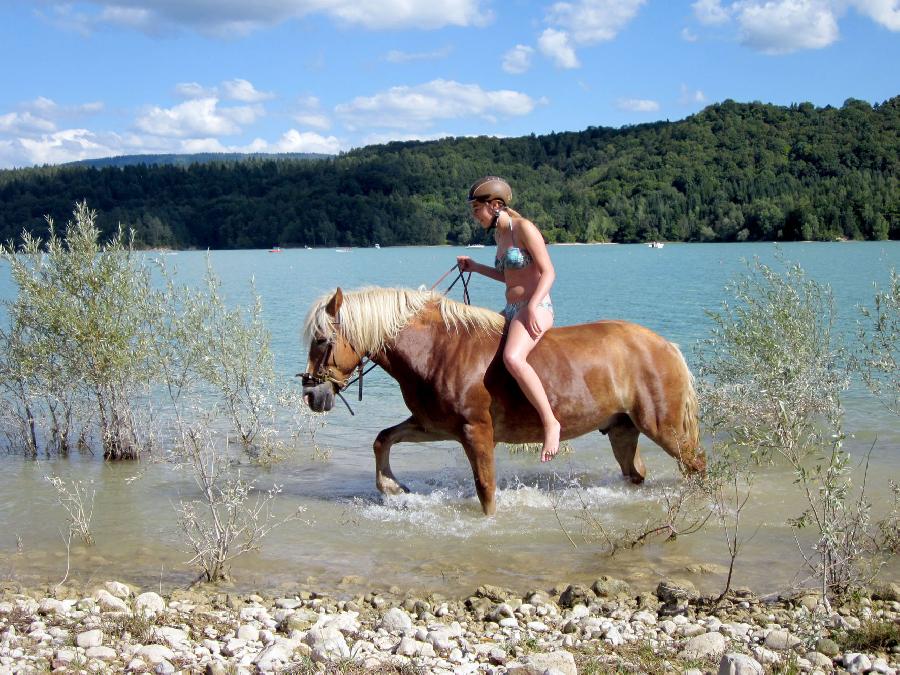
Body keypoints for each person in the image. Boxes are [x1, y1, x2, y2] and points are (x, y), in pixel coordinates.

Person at [456, 176, 561, 462]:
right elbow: (507, 276)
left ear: (496, 205)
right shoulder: (500, 236)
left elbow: (549, 272)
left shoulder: (524, 228)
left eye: (477, 209)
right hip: (512, 308)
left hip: (536, 306)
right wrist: (475, 267)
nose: (474, 215)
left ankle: (551, 423)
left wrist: (533, 306)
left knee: (513, 358)